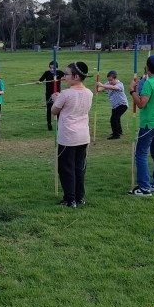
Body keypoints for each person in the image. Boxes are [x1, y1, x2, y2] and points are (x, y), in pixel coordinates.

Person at [51, 61, 93, 207]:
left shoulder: (65, 94)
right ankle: (80, 197)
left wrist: (55, 99)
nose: (64, 77)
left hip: (68, 137)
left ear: (75, 76)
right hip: (83, 136)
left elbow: (54, 111)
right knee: (79, 168)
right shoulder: (89, 92)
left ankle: (70, 199)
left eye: (67, 74)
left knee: (66, 169)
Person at [129, 55, 154, 196]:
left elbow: (141, 103)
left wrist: (132, 91)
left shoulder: (149, 83)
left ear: (147, 68)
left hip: (150, 123)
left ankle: (144, 188)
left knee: (140, 153)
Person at [97, 70, 128, 140]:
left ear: (115, 78)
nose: (110, 82)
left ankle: (116, 135)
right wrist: (98, 87)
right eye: (109, 80)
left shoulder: (120, 84)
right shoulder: (108, 83)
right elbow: (100, 89)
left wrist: (102, 85)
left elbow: (113, 87)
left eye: (111, 80)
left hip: (122, 105)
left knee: (114, 119)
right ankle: (119, 131)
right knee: (117, 119)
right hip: (115, 106)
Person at [37, 61, 65, 131]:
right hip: (49, 94)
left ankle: (59, 124)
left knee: (58, 109)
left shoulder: (60, 72)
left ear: (57, 68)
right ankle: (49, 124)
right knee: (49, 109)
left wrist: (63, 78)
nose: (52, 69)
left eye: (53, 68)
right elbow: (41, 80)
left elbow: (66, 77)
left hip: (57, 94)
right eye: (50, 68)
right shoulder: (47, 73)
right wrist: (39, 81)